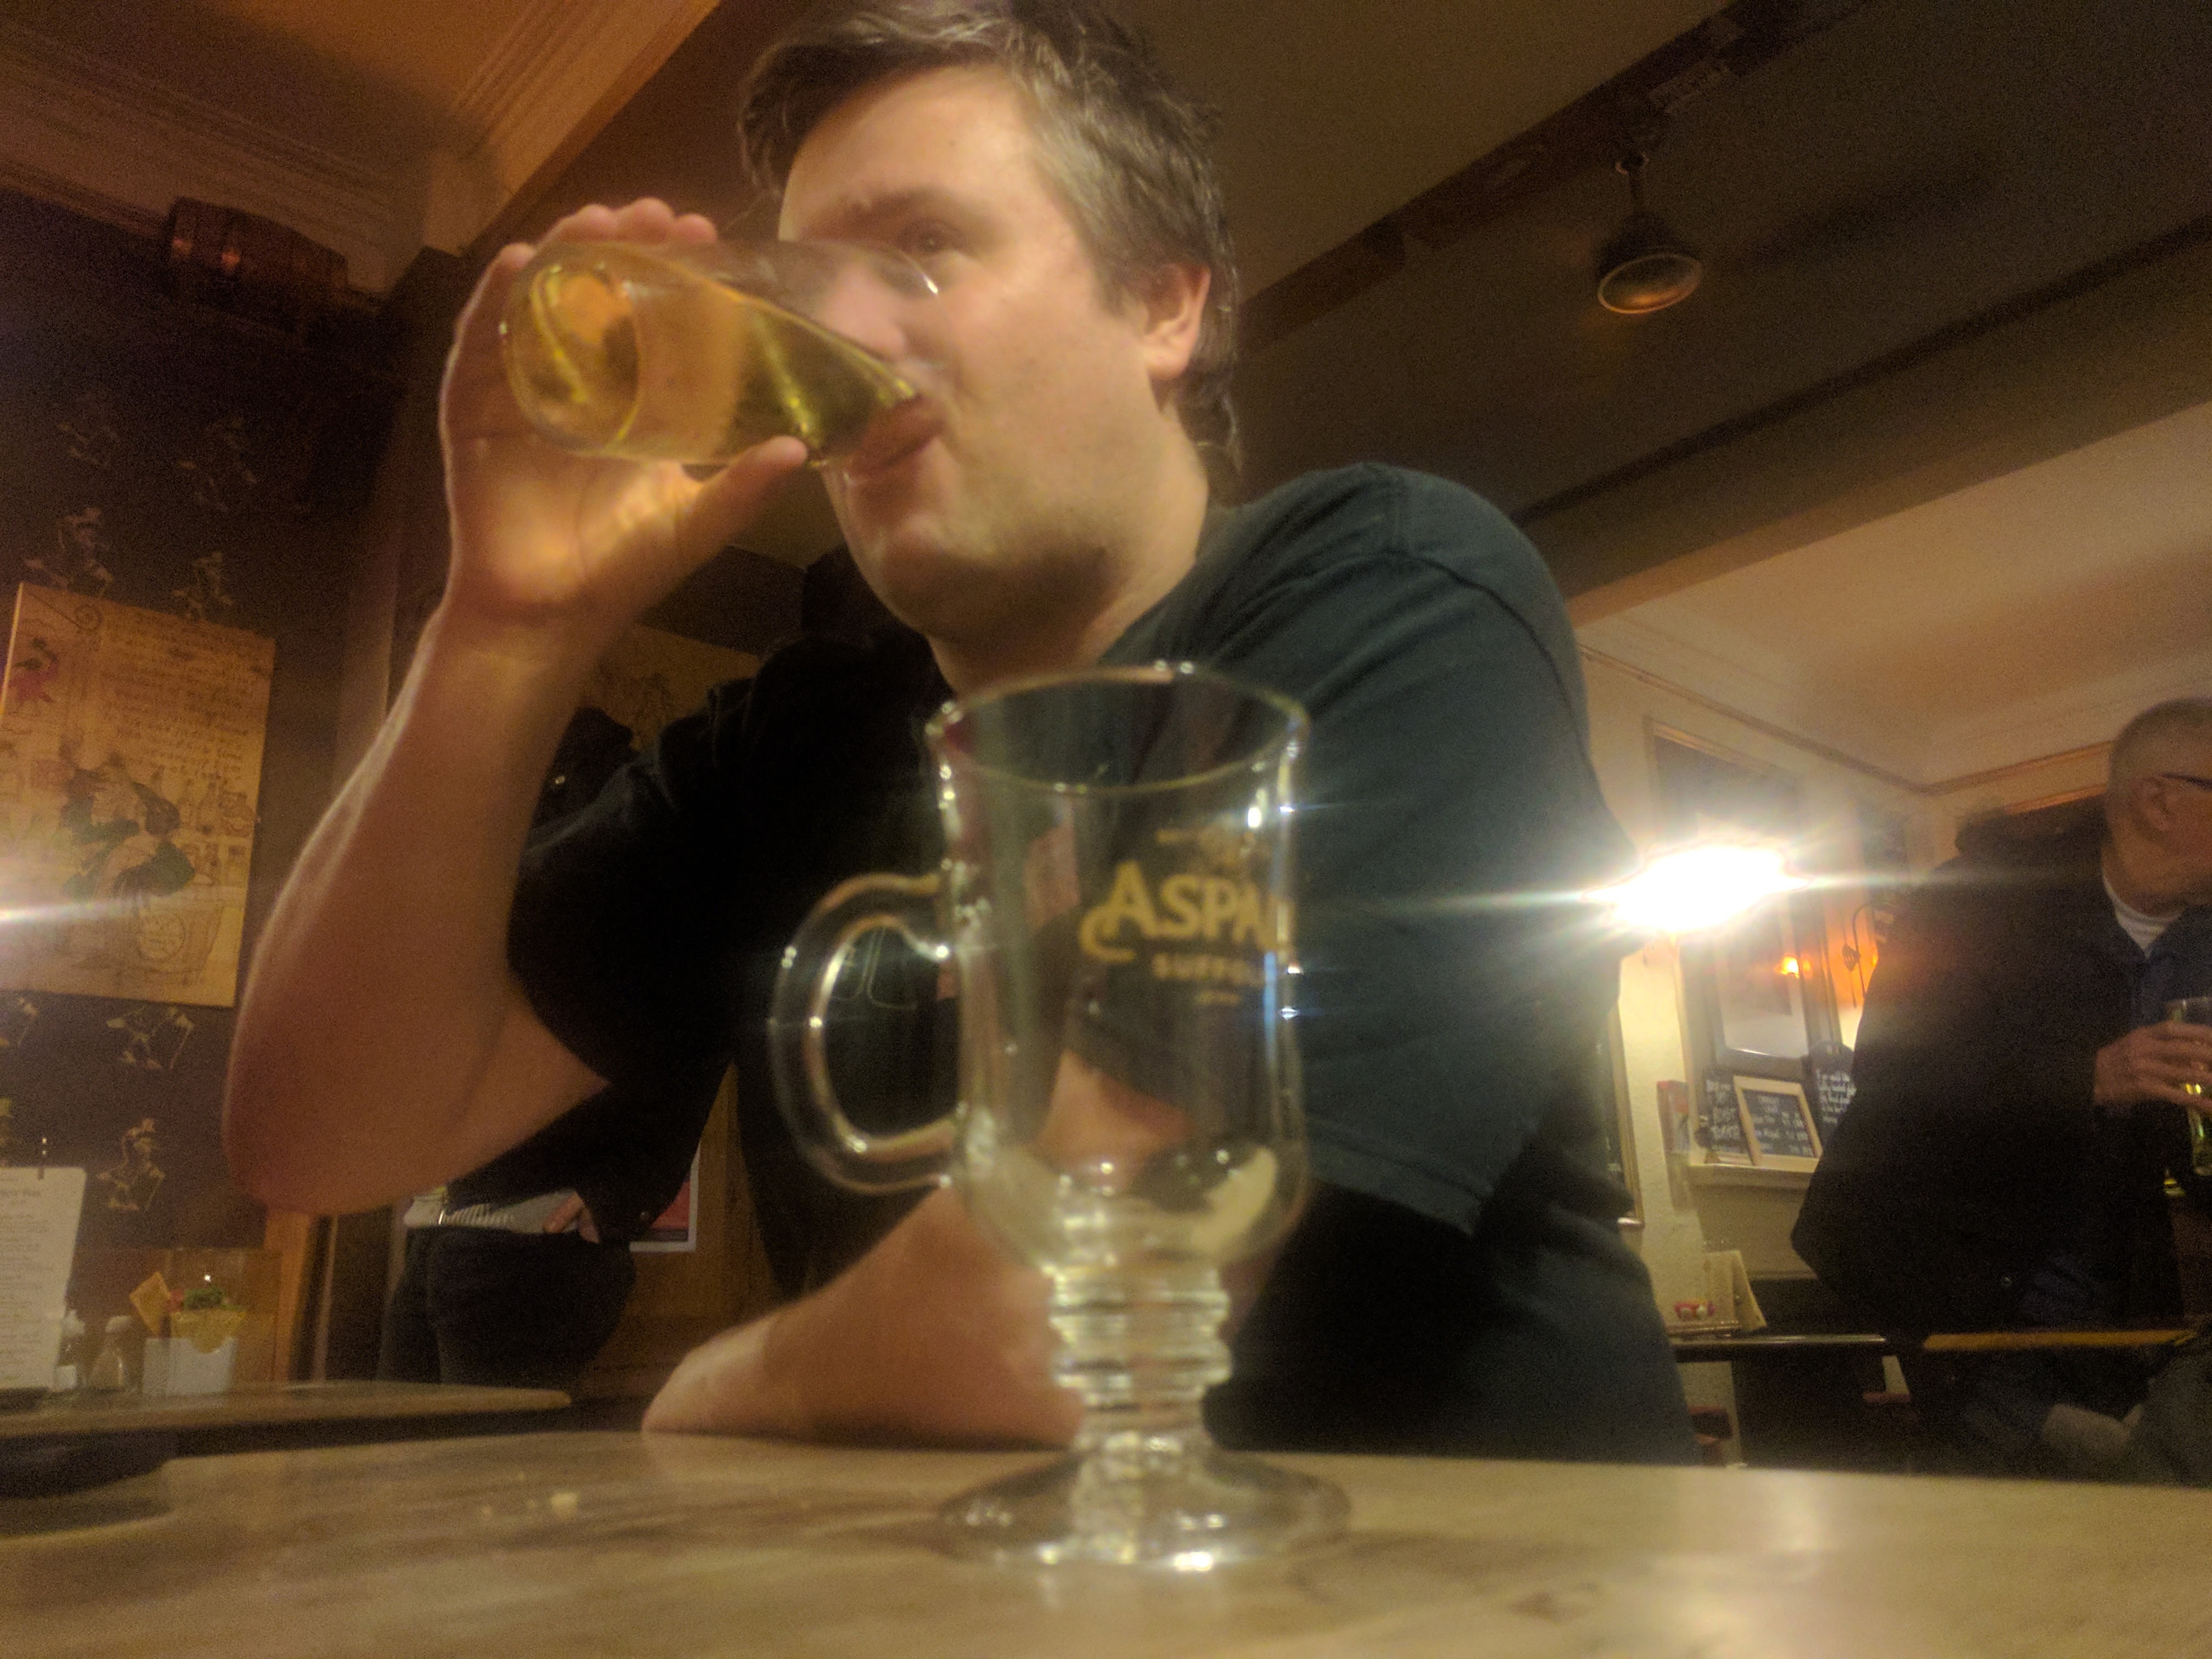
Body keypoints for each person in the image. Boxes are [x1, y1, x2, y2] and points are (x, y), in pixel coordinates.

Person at [227, 0, 1691, 1462]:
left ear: (1163, 307)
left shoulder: (1391, 592)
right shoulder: (801, 741)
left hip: (1469, 1576)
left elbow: (1050, 1310)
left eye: (923, 251)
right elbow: (317, 1134)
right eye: (817, 282)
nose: (848, 329)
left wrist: (722, 1393)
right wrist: (505, 626)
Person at [1795, 698, 2212, 1475]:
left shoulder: (2204, 941)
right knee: (2041, 1511)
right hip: (1952, 1282)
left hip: (2114, 1300)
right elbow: (1892, 1072)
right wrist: (2091, 1077)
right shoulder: (1980, 900)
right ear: (2159, 801)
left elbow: (2186, 1139)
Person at [377, 709, 708, 1392]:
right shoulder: (495, 815)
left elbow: (694, 1010)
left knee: (474, 1457)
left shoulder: (613, 811)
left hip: (533, 1233)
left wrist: (628, 1190)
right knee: (400, 1447)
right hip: (445, 1222)